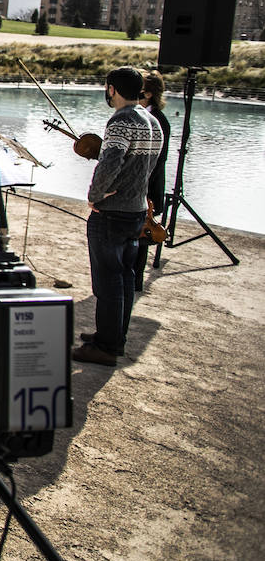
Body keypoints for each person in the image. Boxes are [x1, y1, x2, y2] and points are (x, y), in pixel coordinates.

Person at [74, 66, 163, 367]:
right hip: (137, 209)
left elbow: (109, 163)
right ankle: (113, 337)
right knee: (125, 276)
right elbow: (147, 168)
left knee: (107, 280)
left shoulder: (121, 121)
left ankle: (106, 347)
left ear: (111, 88)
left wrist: (94, 196)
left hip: (112, 213)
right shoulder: (153, 121)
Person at [133, 70, 172, 291]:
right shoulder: (140, 114)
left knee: (142, 235)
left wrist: (142, 187)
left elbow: (158, 160)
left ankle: (135, 281)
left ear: (147, 93)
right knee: (136, 235)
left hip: (148, 186)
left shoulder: (159, 121)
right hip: (140, 185)